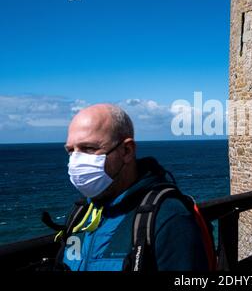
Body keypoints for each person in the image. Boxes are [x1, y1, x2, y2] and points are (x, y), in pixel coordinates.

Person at [59, 103, 210, 271]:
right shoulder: (80, 213)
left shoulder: (168, 217)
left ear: (127, 151)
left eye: (89, 148)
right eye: (71, 151)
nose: (76, 161)